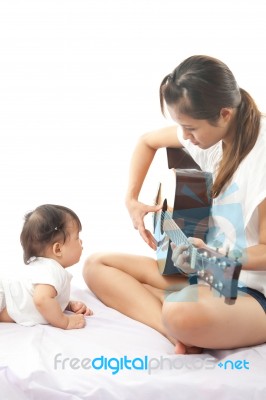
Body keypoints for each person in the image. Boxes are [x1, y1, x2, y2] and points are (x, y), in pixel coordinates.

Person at [83, 55, 266, 354]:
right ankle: (174, 335)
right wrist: (132, 200)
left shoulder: (261, 156)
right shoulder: (212, 133)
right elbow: (146, 142)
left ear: (224, 114)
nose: (185, 137)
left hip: (255, 292)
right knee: (96, 265)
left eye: (190, 128)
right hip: (214, 272)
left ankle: (179, 318)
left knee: (182, 310)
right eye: (181, 127)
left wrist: (216, 255)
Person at [0, 204, 93, 329]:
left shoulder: (43, 268)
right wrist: (65, 321)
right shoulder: (53, 270)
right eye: (77, 237)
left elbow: (44, 297)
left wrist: (68, 305)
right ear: (58, 249)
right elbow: (42, 299)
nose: (81, 242)